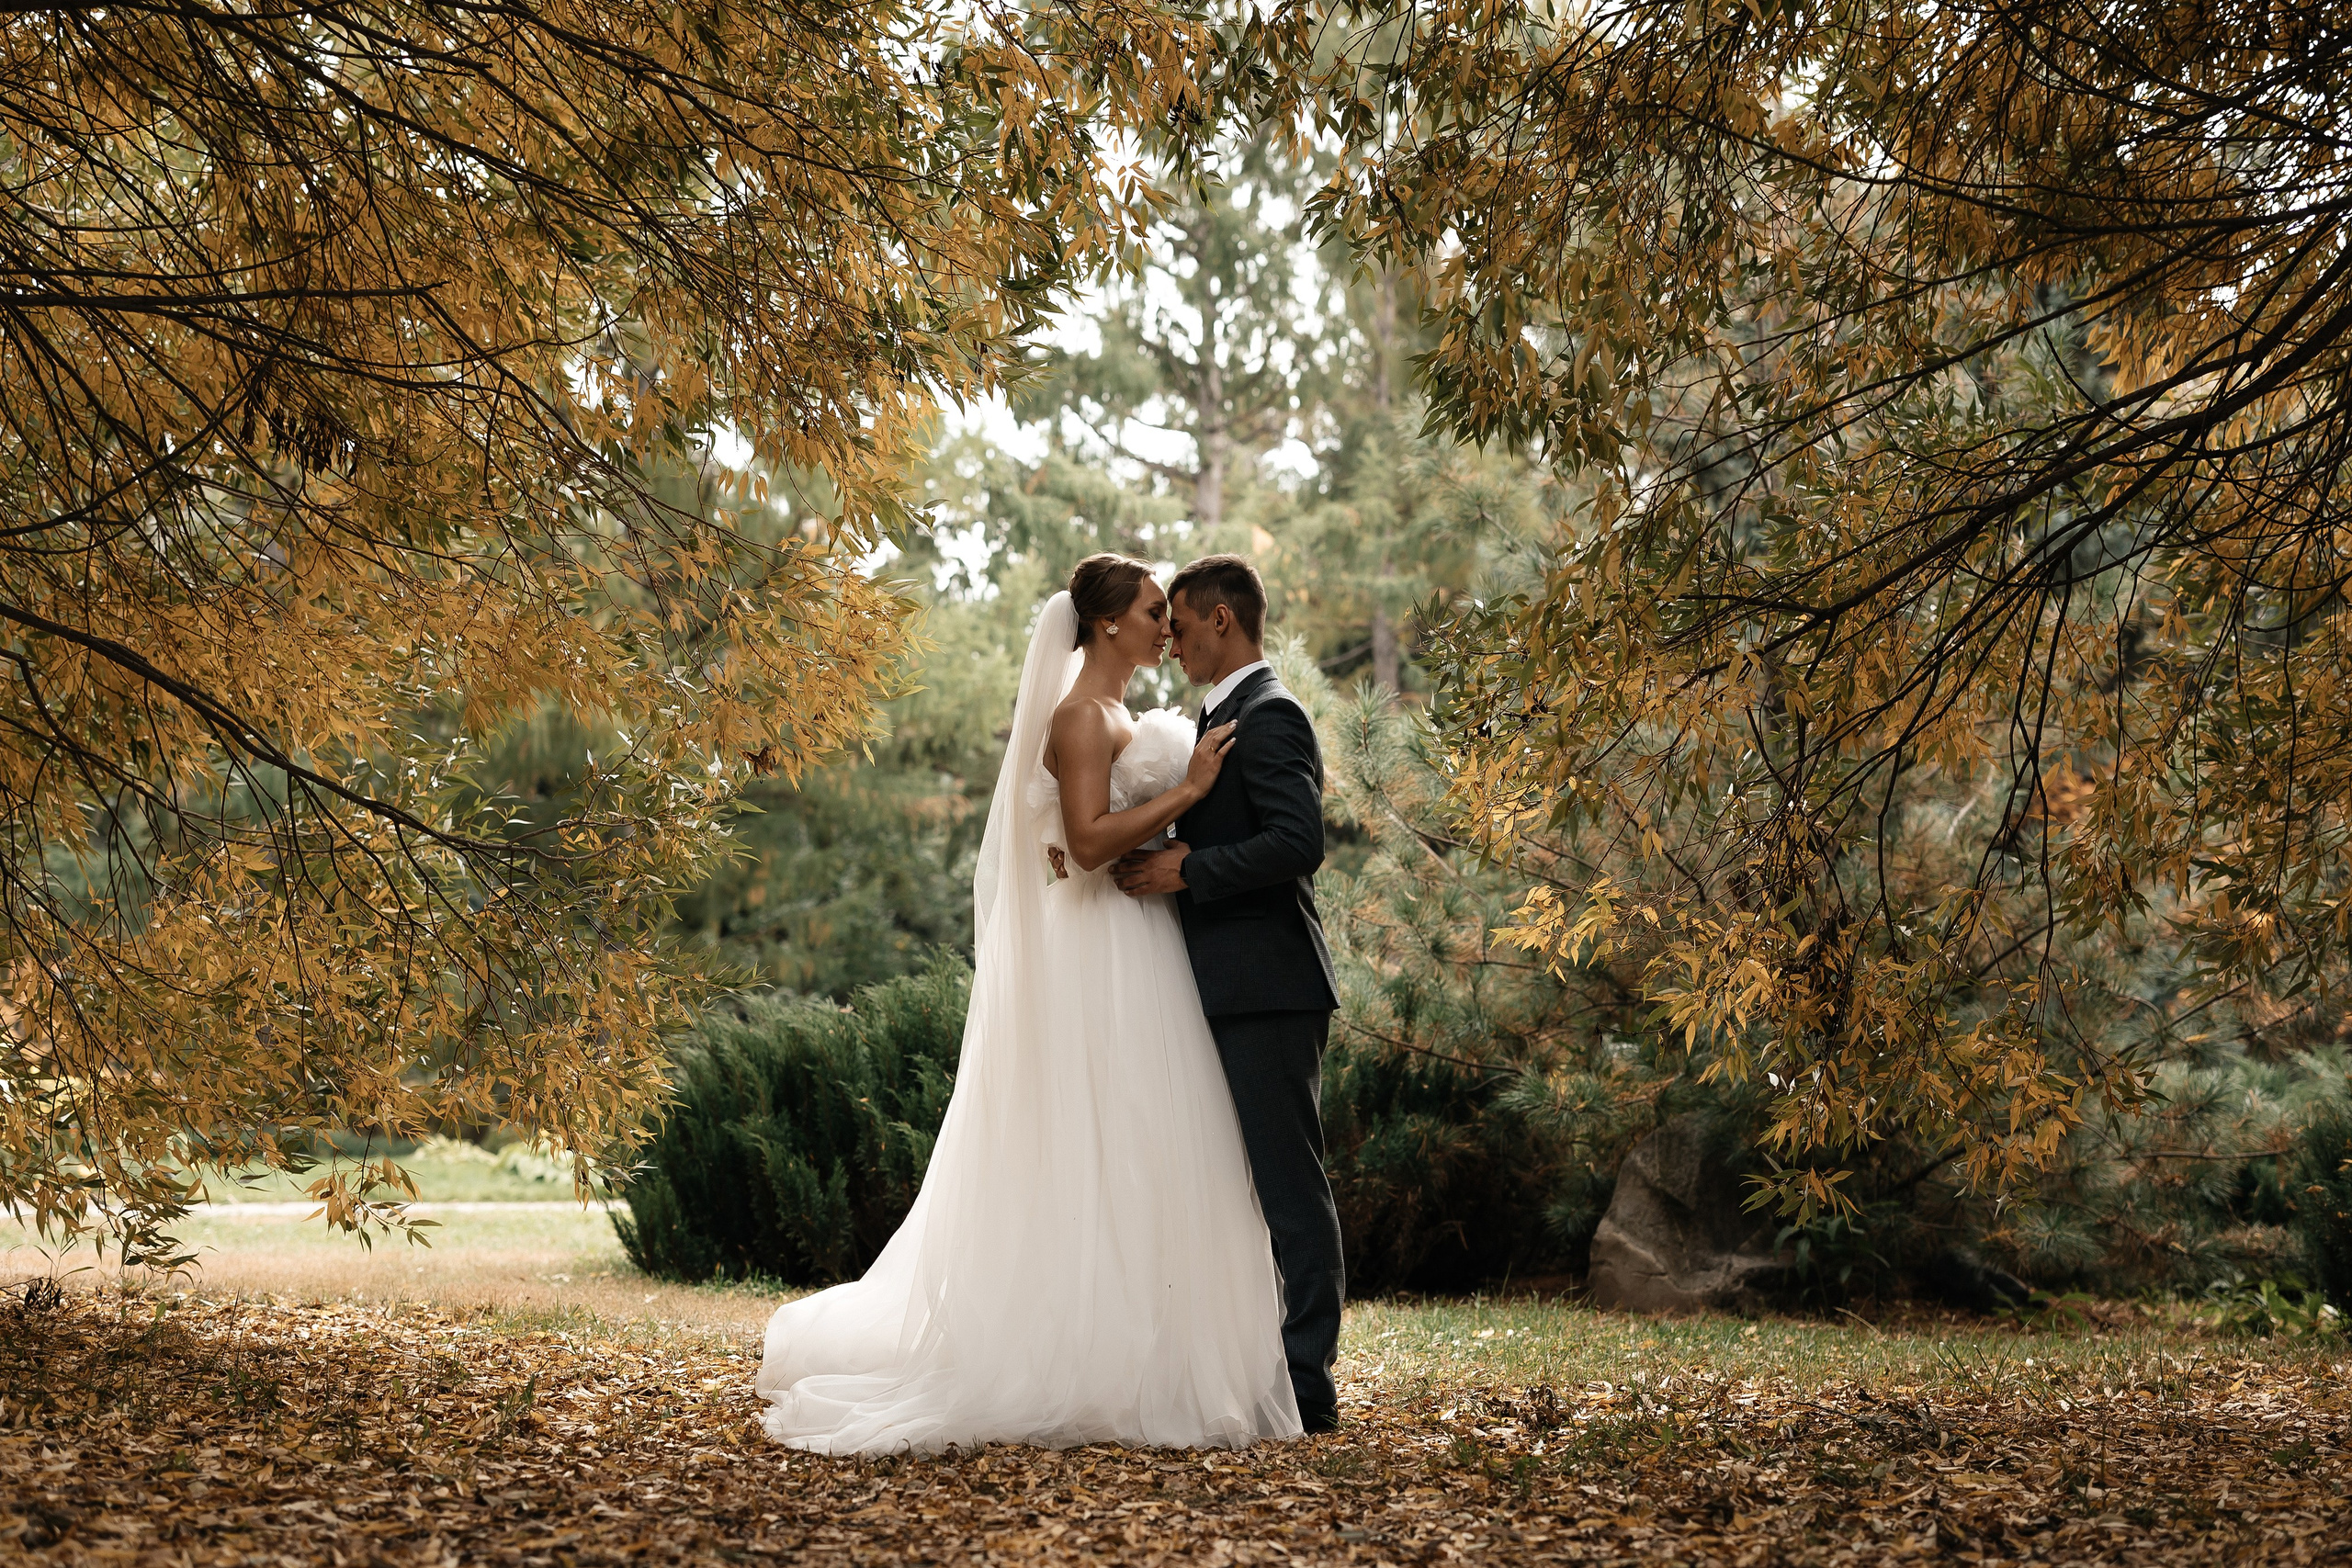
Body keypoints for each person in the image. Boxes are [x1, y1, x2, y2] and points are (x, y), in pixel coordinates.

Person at [754, 554, 1301, 1454]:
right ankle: (1094, 1356)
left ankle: (1155, 1347)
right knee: (1111, 1130)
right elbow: (1084, 842)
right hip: (1107, 946)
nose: (1167, 626)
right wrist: (1188, 790)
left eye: (1169, 613)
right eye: (1153, 610)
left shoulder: (1121, 713)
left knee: (1154, 1138)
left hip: (1149, 937)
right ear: (1107, 624)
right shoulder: (1080, 716)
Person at [1113, 553, 1345, 1433]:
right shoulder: (1220, 715)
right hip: (1224, 984)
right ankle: (1254, 1367)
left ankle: (1308, 1384)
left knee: (1289, 1186)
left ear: (1221, 619)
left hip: (1269, 985)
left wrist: (1190, 868)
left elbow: (1297, 841)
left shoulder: (1271, 713)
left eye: (1178, 625)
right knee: (1239, 1184)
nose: (1170, 643)